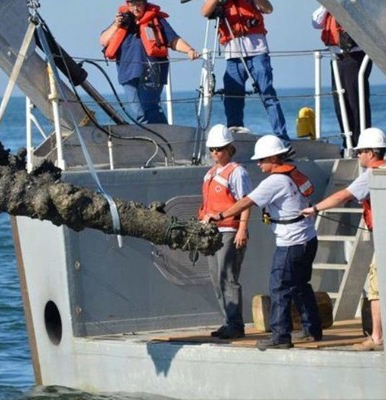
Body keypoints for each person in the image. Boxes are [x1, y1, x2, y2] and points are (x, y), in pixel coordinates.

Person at [203, 135, 322, 349]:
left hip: (291, 242)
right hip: (308, 238)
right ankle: (312, 330)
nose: (258, 164)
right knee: (300, 286)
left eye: (262, 160)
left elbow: (246, 201)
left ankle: (280, 336)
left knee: (279, 288)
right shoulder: (293, 175)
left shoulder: (275, 181)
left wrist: (220, 216)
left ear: (274, 158)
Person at [301, 127, 386, 352]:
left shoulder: (370, 176)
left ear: (371, 153)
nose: (358, 156)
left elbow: (343, 195)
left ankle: (377, 336)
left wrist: (315, 208)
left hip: (384, 239)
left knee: (376, 289)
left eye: (360, 152)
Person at [201, 0, 290, 144]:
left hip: (258, 51)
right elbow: (205, 12)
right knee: (232, 96)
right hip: (233, 54)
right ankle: (235, 134)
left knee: (268, 94)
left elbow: (268, 8)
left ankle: (282, 137)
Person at [100, 0, 200, 124]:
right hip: (127, 74)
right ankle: (149, 139)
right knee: (138, 112)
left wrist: (189, 50)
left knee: (149, 108)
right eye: (132, 4)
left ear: (144, 4)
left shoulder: (156, 20)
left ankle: (166, 136)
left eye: (139, 4)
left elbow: (173, 40)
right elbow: (104, 40)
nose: (135, 8)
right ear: (128, 4)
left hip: (152, 72)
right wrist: (116, 25)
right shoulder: (121, 20)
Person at [198, 124, 252, 340]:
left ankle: (236, 325)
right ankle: (227, 320)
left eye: (219, 149)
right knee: (215, 278)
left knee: (228, 277)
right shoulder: (210, 174)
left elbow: (246, 202)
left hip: (230, 229)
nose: (215, 154)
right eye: (212, 149)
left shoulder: (237, 172)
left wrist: (242, 229)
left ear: (229, 148)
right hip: (212, 232)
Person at [313, 6, 372, 152]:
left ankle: (362, 143)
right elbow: (316, 22)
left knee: (356, 101)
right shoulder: (329, 6)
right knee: (340, 102)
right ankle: (349, 142)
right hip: (337, 57)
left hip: (355, 56)